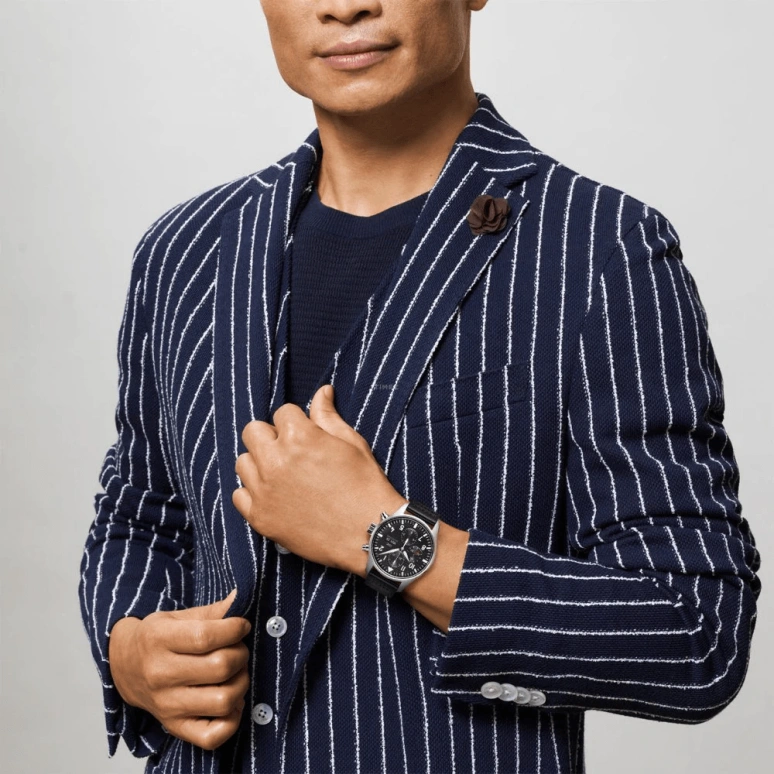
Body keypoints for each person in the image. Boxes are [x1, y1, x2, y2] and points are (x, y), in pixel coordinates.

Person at [78, 1, 761, 772]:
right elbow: (141, 513)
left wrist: (386, 538)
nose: (343, 6)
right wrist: (129, 650)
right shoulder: (185, 251)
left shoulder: (601, 249)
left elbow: (696, 630)